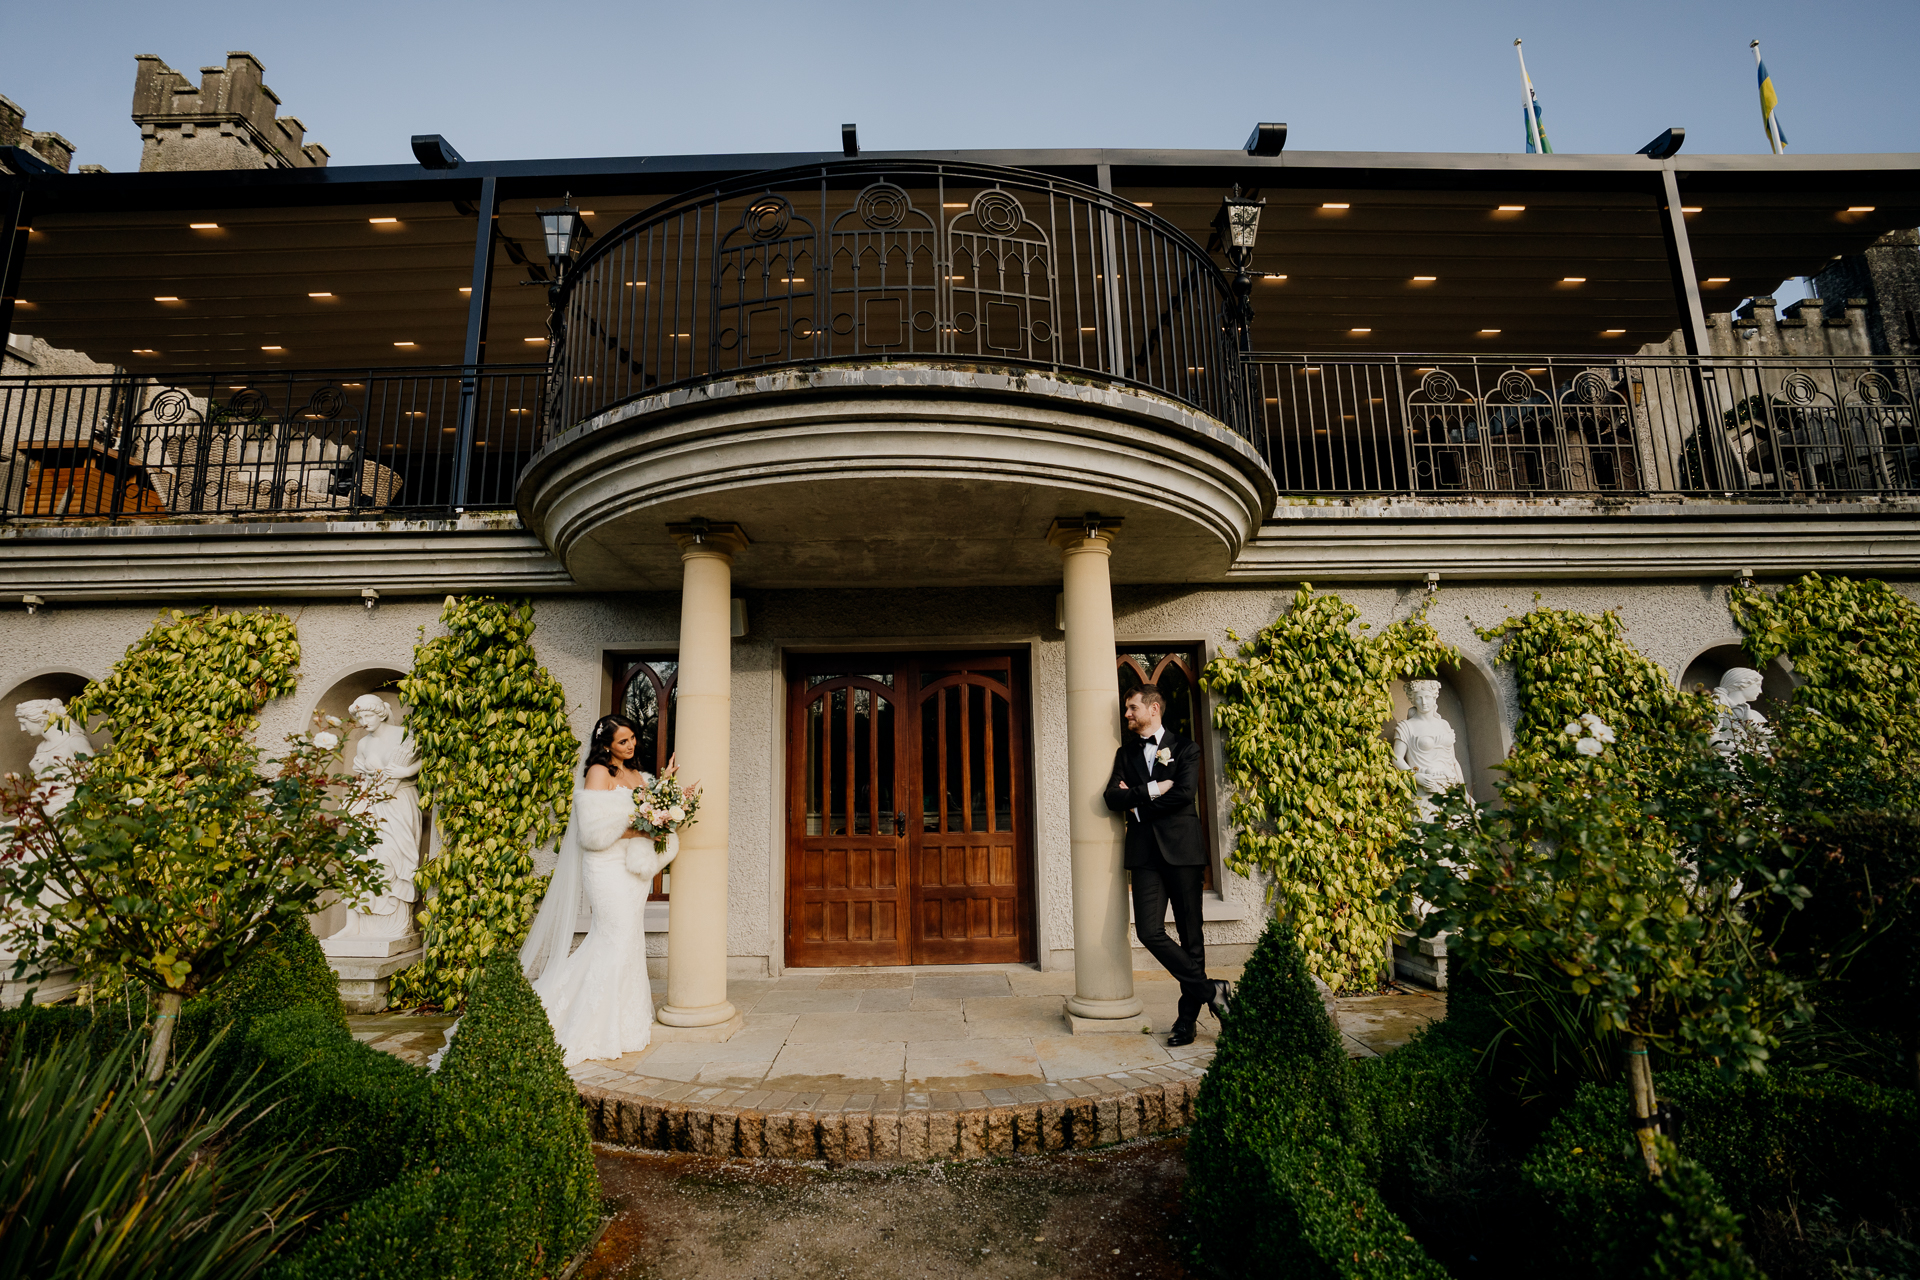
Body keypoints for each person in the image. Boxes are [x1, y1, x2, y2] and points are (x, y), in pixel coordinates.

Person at [518, 714, 677, 1066]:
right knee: (615, 936)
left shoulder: (638, 775)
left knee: (627, 939)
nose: (631, 744)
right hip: (605, 868)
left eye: (633, 738)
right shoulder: (599, 773)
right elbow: (592, 831)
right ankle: (588, 1023)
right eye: (623, 741)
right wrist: (638, 829)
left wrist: (665, 801)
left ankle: (626, 1022)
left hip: (633, 868)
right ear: (606, 745)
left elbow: (651, 813)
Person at [1102, 685, 1230, 1047]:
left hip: (1183, 853)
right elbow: (1112, 797)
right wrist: (1155, 791)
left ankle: (1186, 1022)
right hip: (1144, 856)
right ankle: (1213, 990)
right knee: (1148, 931)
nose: (1126, 714)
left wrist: (1137, 803)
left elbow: (1185, 793)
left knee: (1192, 938)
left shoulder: (1187, 747)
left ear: (1153, 708)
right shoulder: (1124, 754)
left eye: (1132, 708)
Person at [332, 694, 423, 940]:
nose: (364, 721)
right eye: (360, 717)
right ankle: (355, 924)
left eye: (368, 715)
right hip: (372, 803)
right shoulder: (363, 744)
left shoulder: (404, 735)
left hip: (399, 801)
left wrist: (407, 770)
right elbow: (365, 779)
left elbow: (425, 757)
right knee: (358, 859)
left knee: (390, 860)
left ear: (381, 713)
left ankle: (395, 925)